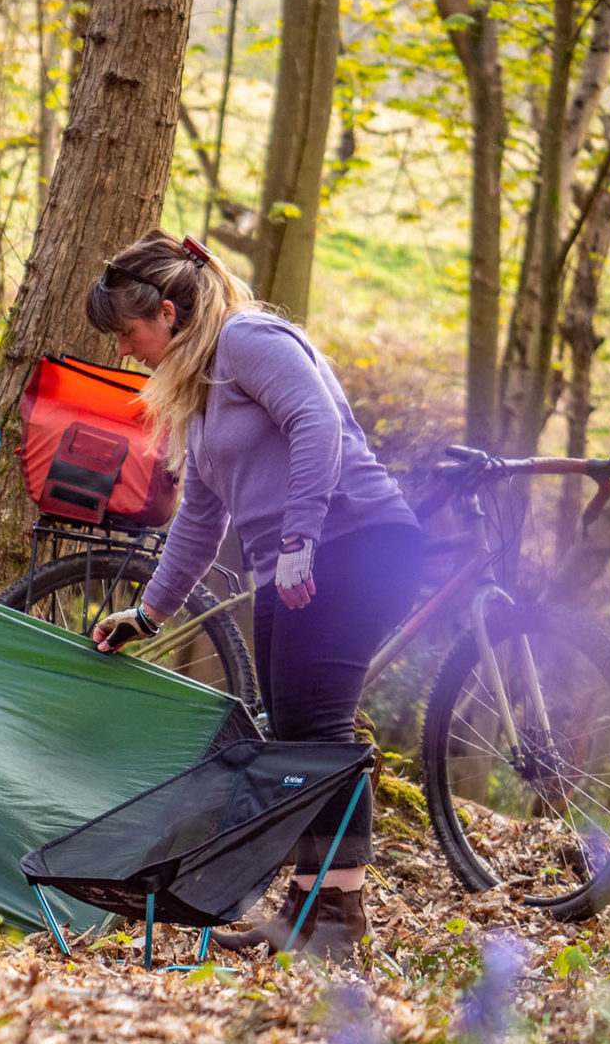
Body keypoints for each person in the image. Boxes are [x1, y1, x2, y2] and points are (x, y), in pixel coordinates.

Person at [86, 230, 424, 959]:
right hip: (296, 562)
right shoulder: (201, 395)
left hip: (355, 543)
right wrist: (149, 612)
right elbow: (202, 519)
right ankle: (312, 911)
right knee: (296, 736)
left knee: (320, 730)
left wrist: (302, 535)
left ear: (169, 313)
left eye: (128, 332)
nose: (125, 349)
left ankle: (335, 921)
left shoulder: (249, 340)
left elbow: (317, 424)